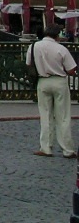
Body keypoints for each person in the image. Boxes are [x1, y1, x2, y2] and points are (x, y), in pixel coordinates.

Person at [27, 23, 78, 157]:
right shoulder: (61, 49)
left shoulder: (33, 46)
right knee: (63, 116)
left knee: (45, 114)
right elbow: (72, 70)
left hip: (42, 81)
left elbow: (29, 64)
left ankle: (46, 147)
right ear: (57, 35)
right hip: (59, 81)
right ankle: (67, 149)